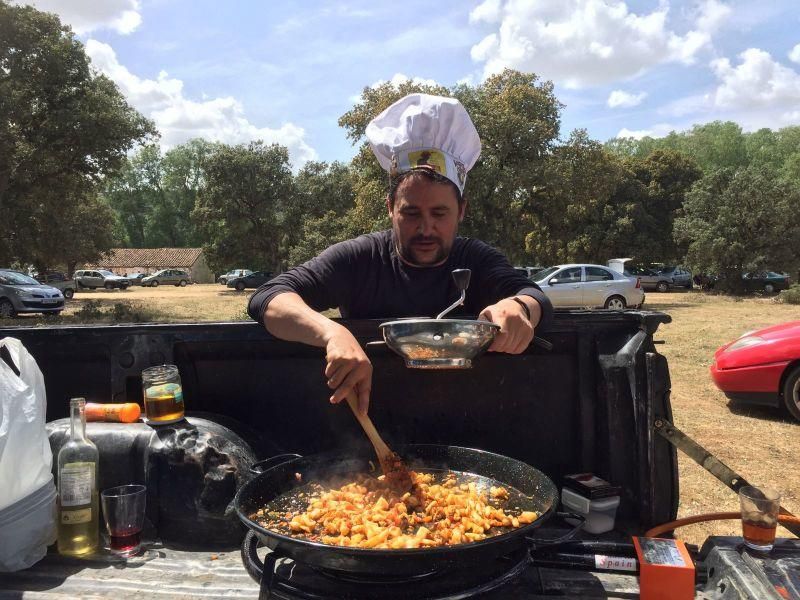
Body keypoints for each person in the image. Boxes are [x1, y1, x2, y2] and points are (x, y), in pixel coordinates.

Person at [248, 94, 552, 415]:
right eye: (411, 213)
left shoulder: (475, 259)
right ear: (391, 208)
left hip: (469, 412)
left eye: (439, 214)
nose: (426, 229)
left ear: (461, 211)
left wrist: (517, 307)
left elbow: (534, 297)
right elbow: (269, 297)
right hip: (370, 419)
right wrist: (332, 333)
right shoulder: (360, 258)